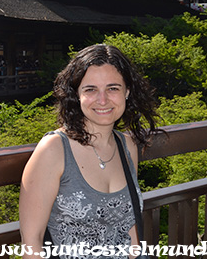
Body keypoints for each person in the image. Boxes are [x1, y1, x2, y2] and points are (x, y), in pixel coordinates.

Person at [19, 44, 159, 259]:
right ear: (76, 94)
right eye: (90, 89)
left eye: (113, 88)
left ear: (127, 92)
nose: (102, 100)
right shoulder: (55, 149)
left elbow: (129, 227)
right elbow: (32, 242)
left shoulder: (127, 146)